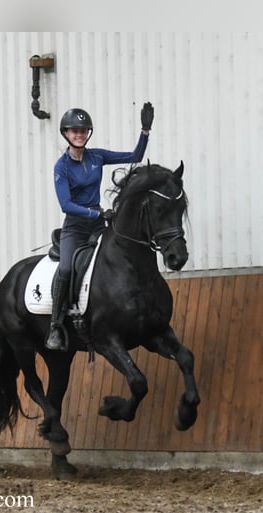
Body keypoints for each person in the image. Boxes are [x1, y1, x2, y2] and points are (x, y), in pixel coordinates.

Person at [45, 102, 155, 351]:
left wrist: (145, 131)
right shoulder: (61, 167)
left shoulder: (97, 156)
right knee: (64, 269)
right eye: (75, 131)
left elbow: (134, 157)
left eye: (83, 131)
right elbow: (66, 204)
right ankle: (56, 324)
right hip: (75, 227)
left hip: (97, 225)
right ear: (66, 134)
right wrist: (93, 211)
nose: (79, 135)